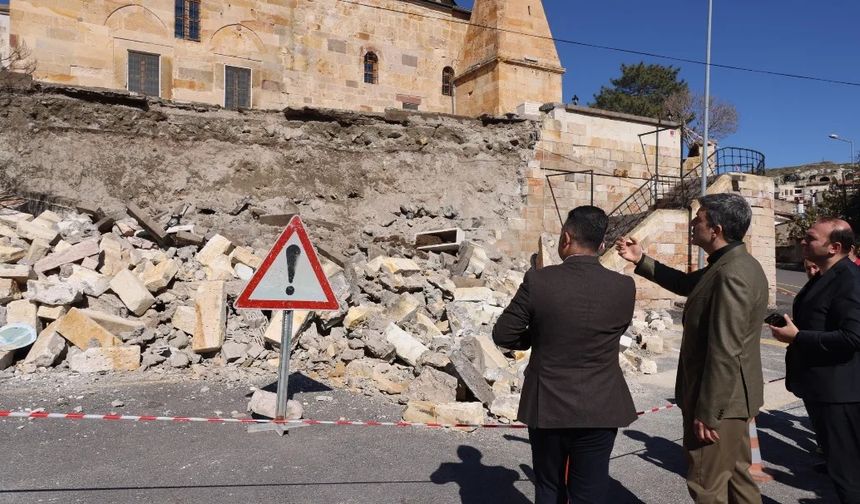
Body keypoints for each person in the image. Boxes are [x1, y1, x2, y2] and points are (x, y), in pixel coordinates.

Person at [615, 193, 768, 504]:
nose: (693, 225)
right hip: (733, 402)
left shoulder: (732, 274)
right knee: (738, 480)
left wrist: (708, 413)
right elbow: (687, 285)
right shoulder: (731, 263)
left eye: (699, 220)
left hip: (721, 403)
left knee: (706, 486)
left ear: (717, 229)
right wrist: (641, 259)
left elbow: (726, 350)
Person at [493, 206, 637, 503]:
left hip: (548, 405)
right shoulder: (625, 287)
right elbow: (615, 329)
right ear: (600, 246)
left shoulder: (538, 281)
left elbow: (503, 334)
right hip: (601, 405)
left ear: (566, 238)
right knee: (591, 490)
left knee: (549, 487)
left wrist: (541, 335)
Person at [769, 218, 860, 504]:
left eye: (810, 238)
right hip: (821, 388)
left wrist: (798, 337)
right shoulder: (824, 275)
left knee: (848, 475)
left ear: (834, 247)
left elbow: (852, 338)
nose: (802, 242)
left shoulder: (849, 280)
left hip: (840, 393)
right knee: (839, 464)